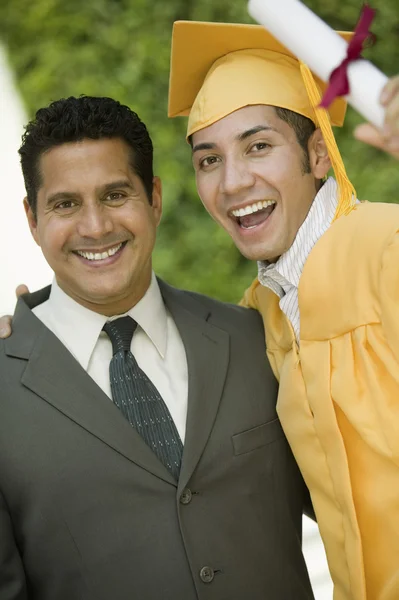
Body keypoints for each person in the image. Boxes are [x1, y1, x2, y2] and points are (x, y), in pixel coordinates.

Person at [0, 95, 314, 600]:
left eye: (116, 195)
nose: (96, 227)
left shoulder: (256, 338)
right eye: (64, 204)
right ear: (32, 219)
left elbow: (359, 494)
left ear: (155, 199)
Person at [166, 20, 399, 600]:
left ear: (319, 153)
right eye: (208, 160)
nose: (234, 181)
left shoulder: (388, 249)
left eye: (259, 146)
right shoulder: (258, 316)